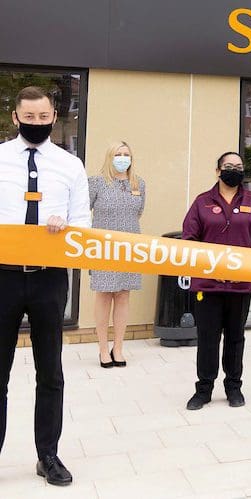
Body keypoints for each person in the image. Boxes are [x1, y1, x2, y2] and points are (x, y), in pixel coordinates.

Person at [0, 86, 90, 486]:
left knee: (50, 372)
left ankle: (48, 455)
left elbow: (83, 224)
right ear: (15, 118)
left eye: (43, 117)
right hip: (2, 276)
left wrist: (65, 228)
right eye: (29, 117)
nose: (36, 123)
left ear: (54, 116)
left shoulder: (70, 165)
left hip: (49, 279)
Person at [181, 152, 251, 410]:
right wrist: (211, 267)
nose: (234, 170)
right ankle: (203, 389)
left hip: (240, 283)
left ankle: (234, 387)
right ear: (218, 170)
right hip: (208, 284)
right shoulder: (202, 202)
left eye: (239, 167)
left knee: (235, 336)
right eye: (228, 166)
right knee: (208, 337)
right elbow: (189, 238)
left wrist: (243, 264)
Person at [89, 141, 145, 368]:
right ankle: (103, 348)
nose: (123, 158)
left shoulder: (138, 183)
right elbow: (84, 210)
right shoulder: (96, 182)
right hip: (103, 248)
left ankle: (118, 347)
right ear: (109, 157)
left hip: (129, 247)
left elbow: (138, 212)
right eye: (118, 154)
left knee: (123, 295)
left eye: (126, 154)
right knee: (104, 295)